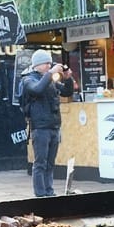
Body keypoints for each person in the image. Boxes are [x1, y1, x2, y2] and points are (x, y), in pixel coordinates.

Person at [21, 49, 73, 197]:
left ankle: (49, 193)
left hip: (54, 127)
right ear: (37, 65)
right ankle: (40, 194)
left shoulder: (50, 80)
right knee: (40, 164)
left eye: (50, 63)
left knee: (50, 164)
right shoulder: (28, 79)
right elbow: (37, 90)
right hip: (40, 128)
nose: (49, 66)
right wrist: (51, 74)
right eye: (46, 63)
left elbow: (67, 92)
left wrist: (68, 78)